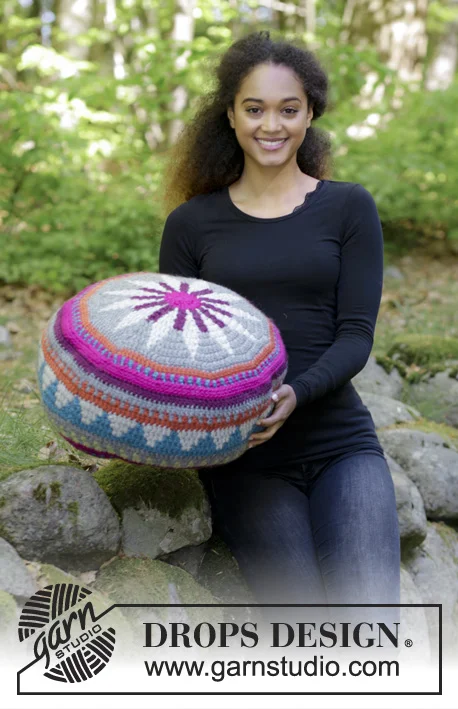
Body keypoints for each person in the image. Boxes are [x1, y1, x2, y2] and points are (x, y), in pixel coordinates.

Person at [158, 30, 400, 635]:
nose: (273, 125)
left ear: (310, 113)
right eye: (255, 108)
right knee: (302, 630)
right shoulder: (191, 224)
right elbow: (174, 346)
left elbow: (355, 335)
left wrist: (297, 391)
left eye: (288, 109)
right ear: (231, 116)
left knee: (371, 624)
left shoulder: (348, 208)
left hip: (340, 443)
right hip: (245, 460)